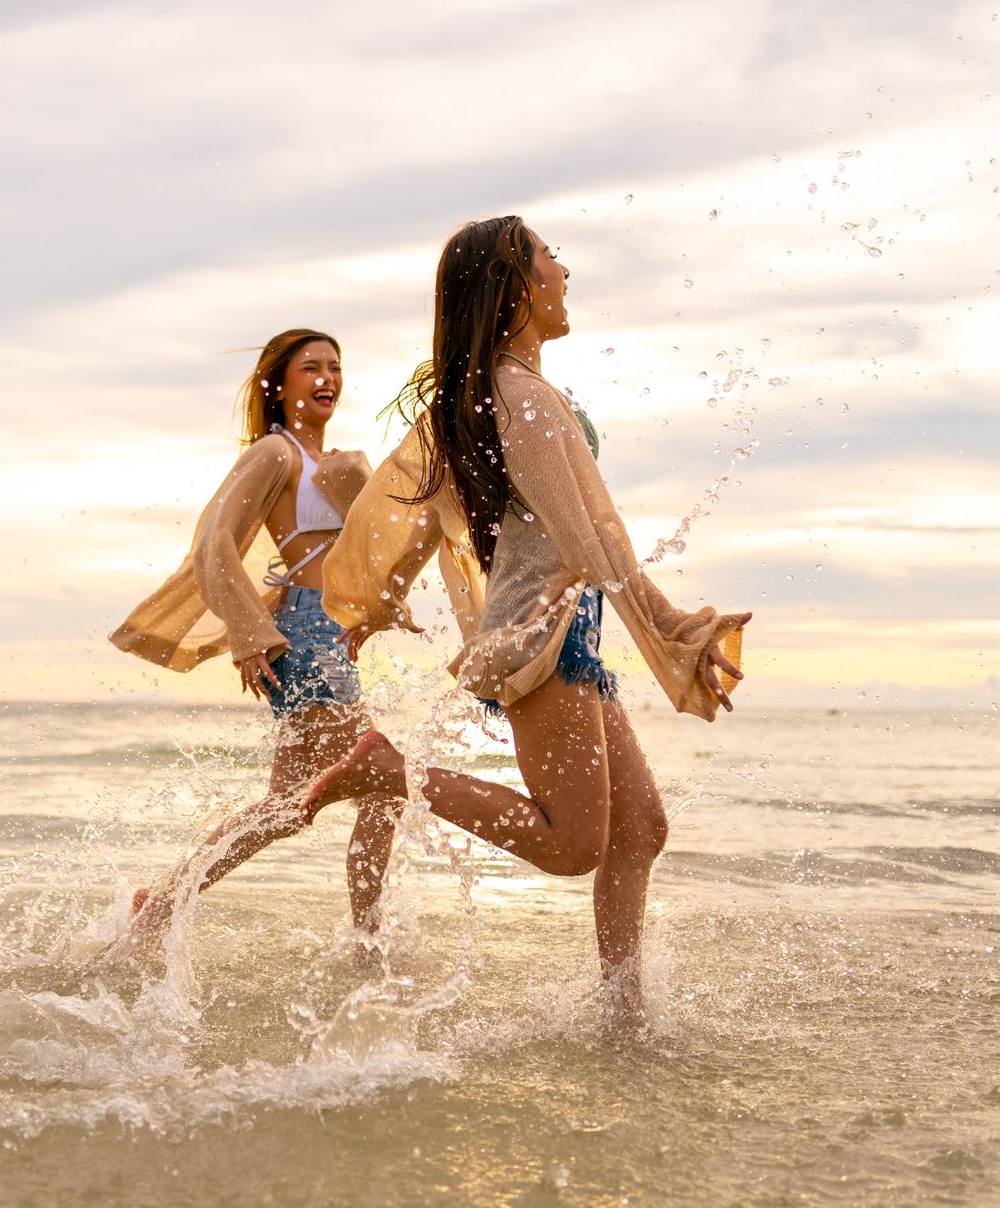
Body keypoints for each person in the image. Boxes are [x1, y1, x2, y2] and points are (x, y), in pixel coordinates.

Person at [300, 216, 748, 1010]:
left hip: (563, 623)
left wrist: (384, 595)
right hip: (541, 636)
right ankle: (387, 770)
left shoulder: (504, 395)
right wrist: (674, 624)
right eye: (550, 258)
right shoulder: (522, 399)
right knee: (572, 844)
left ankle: (622, 1009)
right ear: (515, 285)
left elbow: (435, 504)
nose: (565, 271)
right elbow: (587, 538)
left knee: (639, 828)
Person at [110, 329, 399, 947]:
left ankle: (161, 902)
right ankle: (367, 942)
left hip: (327, 633)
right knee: (382, 786)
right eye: (311, 369)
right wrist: (248, 634)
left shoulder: (331, 462)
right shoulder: (276, 453)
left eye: (335, 368)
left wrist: (374, 611)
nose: (327, 379)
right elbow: (214, 543)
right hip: (303, 636)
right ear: (280, 383)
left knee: (292, 803)